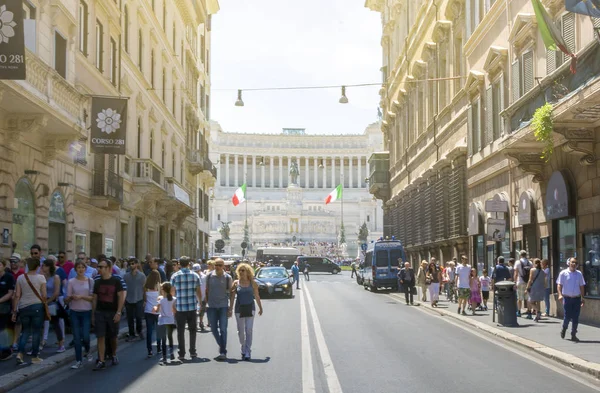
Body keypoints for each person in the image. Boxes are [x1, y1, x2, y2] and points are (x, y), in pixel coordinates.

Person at [92, 259, 125, 370]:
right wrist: (93, 314)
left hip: (112, 312)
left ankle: (114, 354)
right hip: (100, 312)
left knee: (113, 337)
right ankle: (101, 360)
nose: (99, 269)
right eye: (99, 267)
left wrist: (119, 312)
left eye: (101, 267)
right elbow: (95, 299)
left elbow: (121, 297)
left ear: (108, 268)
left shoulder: (116, 281)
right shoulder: (97, 282)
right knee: (100, 336)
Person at [12, 258, 46, 365]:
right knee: (36, 331)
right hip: (37, 306)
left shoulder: (21, 278)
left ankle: (20, 353)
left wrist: (14, 311)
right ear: (37, 267)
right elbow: (44, 295)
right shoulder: (41, 278)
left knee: (25, 331)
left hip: (23, 307)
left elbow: (17, 295)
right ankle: (35, 356)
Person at [170, 257, 202, 361]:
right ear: (189, 264)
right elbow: (198, 291)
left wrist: (172, 305)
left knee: (180, 331)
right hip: (192, 306)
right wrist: (200, 303)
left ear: (179, 264)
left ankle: (181, 353)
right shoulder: (195, 275)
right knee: (193, 330)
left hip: (180, 307)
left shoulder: (175, 276)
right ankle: (192, 352)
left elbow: (172, 292)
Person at [230, 263, 263, 360]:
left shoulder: (253, 283)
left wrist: (260, 307)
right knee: (240, 331)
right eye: (240, 270)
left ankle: (248, 350)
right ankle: (243, 347)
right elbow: (232, 297)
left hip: (250, 308)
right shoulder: (236, 283)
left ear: (248, 271)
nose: (241, 272)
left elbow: (257, 296)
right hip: (239, 309)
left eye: (243, 270)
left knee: (248, 330)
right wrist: (230, 309)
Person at [66, 260, 94, 369]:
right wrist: (69, 298)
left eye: (83, 267)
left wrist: (81, 297)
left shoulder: (90, 281)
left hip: (86, 311)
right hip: (74, 311)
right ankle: (78, 360)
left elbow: (92, 298)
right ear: (75, 269)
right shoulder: (71, 281)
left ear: (85, 269)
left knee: (86, 336)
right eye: (78, 267)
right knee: (77, 337)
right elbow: (67, 298)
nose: (81, 269)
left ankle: (87, 350)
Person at [206, 258, 233, 360]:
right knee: (213, 329)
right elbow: (207, 291)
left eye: (220, 265)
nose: (217, 267)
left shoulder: (227, 278)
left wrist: (230, 308)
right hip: (212, 306)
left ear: (223, 266)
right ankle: (222, 345)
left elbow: (231, 293)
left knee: (223, 329)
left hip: (223, 306)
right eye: (216, 264)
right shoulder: (209, 276)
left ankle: (222, 351)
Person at [556, 257, 585, 342]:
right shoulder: (563, 273)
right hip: (567, 298)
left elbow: (582, 286)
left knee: (576, 317)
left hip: (576, 298)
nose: (574, 264)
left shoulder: (579, 274)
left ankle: (573, 334)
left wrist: (582, 298)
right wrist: (560, 294)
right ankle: (564, 328)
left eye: (575, 263)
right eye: (572, 262)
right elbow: (559, 285)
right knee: (567, 316)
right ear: (569, 263)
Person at [42, 259, 65, 353]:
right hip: (43, 301)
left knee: (56, 323)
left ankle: (61, 344)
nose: (42, 267)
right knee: (41, 323)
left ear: (48, 267)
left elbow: (56, 292)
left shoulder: (56, 277)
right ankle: (41, 342)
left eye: (44, 265)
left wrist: (48, 301)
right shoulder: (42, 277)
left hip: (52, 302)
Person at [123, 258, 146, 341]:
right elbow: (124, 288)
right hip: (129, 299)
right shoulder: (126, 276)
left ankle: (139, 331)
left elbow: (144, 288)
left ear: (137, 264)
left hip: (139, 299)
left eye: (133, 263)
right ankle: (132, 334)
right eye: (130, 264)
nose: (131, 265)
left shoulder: (142, 276)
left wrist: (145, 300)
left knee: (138, 317)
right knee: (130, 318)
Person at [154, 282, 176, 365]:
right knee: (170, 337)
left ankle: (164, 357)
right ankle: (171, 352)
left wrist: (155, 307)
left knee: (163, 339)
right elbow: (174, 310)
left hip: (162, 321)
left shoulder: (161, 300)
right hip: (171, 320)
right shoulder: (174, 299)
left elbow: (156, 310)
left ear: (163, 290)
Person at [143, 270, 161, 357]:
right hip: (158, 311)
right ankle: (158, 348)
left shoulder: (146, 287)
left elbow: (145, 300)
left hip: (148, 310)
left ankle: (149, 350)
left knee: (149, 332)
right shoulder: (159, 288)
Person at [0, 259, 15, 361]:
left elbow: (10, 293)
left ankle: (7, 351)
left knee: (2, 329)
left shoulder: (9, 277)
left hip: (4, 306)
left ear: (4, 266)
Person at [526, 258, 546, 322]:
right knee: (538, 301)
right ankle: (538, 316)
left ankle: (538, 311)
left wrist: (527, 287)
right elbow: (544, 280)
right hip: (541, 287)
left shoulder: (532, 270)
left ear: (534, 263)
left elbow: (530, 279)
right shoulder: (543, 271)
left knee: (531, 301)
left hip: (534, 287)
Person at [514, 250, 532, 318]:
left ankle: (519, 312)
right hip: (528, 283)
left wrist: (514, 282)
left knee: (519, 298)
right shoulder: (529, 262)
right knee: (528, 298)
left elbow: (516, 273)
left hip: (520, 281)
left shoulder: (517, 262)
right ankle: (529, 313)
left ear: (520, 255)